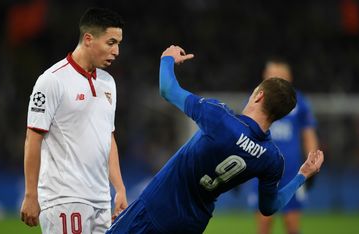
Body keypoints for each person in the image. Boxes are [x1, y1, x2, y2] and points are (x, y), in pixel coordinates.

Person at [106, 45, 324, 234]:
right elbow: (269, 206)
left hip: (156, 209)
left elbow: (167, 89)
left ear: (258, 95)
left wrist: (167, 58)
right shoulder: (272, 158)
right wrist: (302, 176)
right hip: (192, 225)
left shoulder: (219, 118)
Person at [20, 7, 128, 234]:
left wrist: (119, 188)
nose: (117, 51)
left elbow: (107, 137)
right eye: (111, 42)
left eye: (118, 43)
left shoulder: (108, 82)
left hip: (100, 199)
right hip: (64, 198)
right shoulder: (52, 80)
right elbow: (33, 138)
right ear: (88, 39)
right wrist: (31, 194)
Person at [254, 58, 319, 234]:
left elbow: (308, 134)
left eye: (280, 76)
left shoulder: (300, 103)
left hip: (291, 171)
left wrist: (312, 161)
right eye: (271, 75)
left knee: (292, 225)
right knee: (264, 224)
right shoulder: (257, 98)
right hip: (262, 169)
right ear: (265, 76)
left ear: (289, 78)